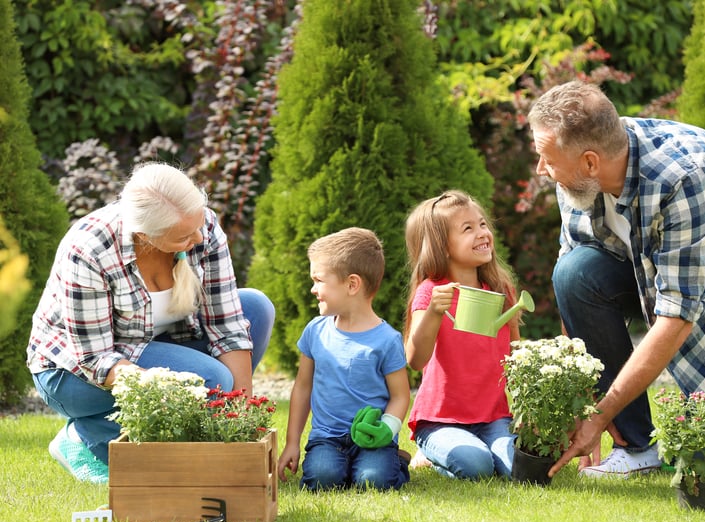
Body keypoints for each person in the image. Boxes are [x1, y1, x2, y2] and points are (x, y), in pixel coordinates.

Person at [527, 81, 705, 479]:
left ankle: (690, 431)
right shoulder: (578, 179)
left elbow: (676, 315)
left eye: (546, 159)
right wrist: (583, 397)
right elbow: (570, 272)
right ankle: (637, 447)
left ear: (590, 162)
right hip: (649, 264)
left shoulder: (686, 177)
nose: (541, 170)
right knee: (575, 274)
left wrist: (599, 417)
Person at [27, 162, 275, 484]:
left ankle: (134, 435)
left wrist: (240, 425)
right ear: (146, 235)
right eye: (185, 236)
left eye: (199, 226)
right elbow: (95, 359)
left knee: (255, 307)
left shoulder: (203, 227)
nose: (199, 237)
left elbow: (227, 325)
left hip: (156, 343)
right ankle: (86, 437)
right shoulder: (90, 249)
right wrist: (182, 393)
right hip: (75, 372)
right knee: (211, 379)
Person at [277, 227, 411, 491]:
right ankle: (347, 465)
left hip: (373, 438)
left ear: (352, 284)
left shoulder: (387, 340)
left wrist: (387, 428)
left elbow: (400, 396)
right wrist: (292, 442)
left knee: (374, 482)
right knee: (322, 480)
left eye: (318, 280)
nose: (313, 289)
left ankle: (396, 462)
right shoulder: (315, 331)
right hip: (327, 438)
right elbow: (303, 387)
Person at [404, 190, 520, 480]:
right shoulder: (431, 292)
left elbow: (516, 355)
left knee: (517, 469)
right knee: (476, 466)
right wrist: (433, 312)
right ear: (442, 247)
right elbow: (415, 359)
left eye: (482, 224)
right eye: (468, 228)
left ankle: (479, 446)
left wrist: (527, 410)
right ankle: (430, 453)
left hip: (494, 417)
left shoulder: (500, 290)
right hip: (440, 421)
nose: (482, 233)